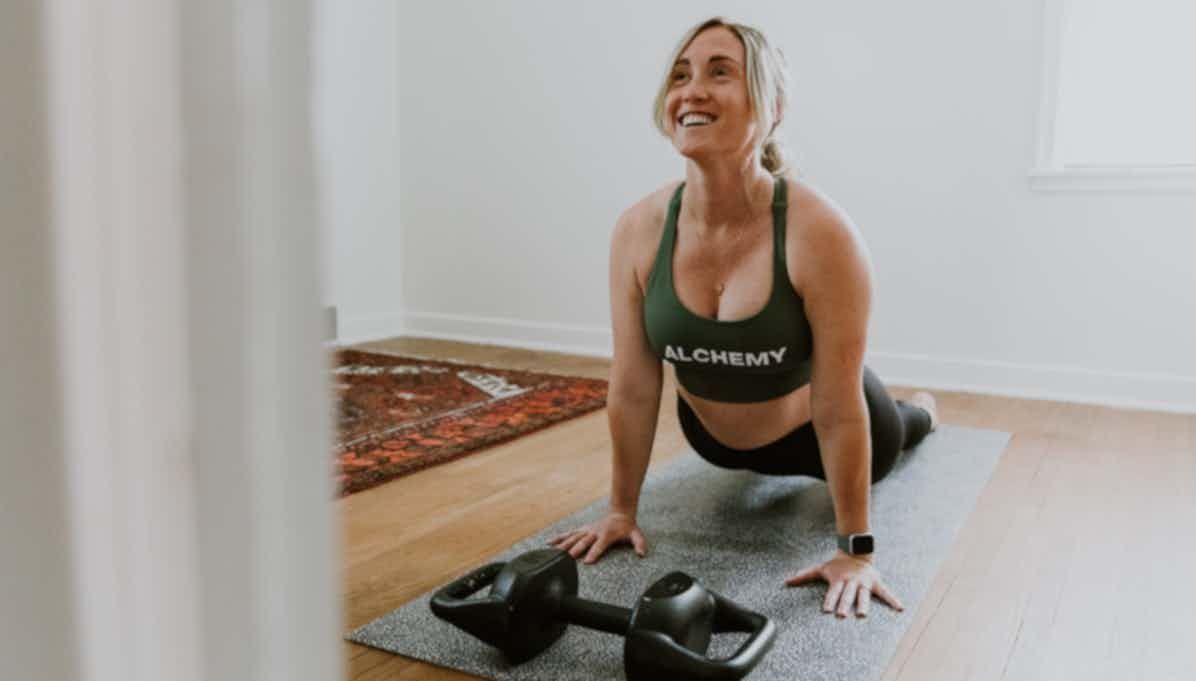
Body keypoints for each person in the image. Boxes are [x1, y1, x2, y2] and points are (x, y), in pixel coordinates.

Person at [549, 16, 939, 620]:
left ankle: (924, 411)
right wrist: (621, 510)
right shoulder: (637, 230)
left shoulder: (821, 232)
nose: (692, 90)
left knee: (901, 427)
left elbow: (837, 407)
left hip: (818, 427)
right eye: (681, 75)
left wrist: (855, 552)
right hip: (714, 441)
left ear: (772, 106)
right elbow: (633, 383)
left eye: (720, 72)